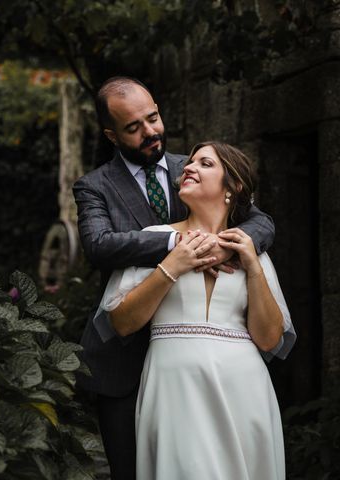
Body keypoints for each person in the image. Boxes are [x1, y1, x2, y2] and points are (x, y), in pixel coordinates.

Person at [72, 77, 276, 479]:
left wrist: (224, 246)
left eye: (153, 118)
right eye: (134, 128)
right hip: (126, 362)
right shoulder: (94, 186)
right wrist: (178, 245)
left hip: (214, 362)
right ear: (111, 135)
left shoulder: (196, 167)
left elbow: (261, 221)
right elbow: (98, 245)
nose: (150, 132)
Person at [98, 141, 296, 479]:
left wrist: (252, 265)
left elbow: (269, 339)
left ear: (232, 187)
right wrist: (172, 266)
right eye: (189, 163)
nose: (188, 168)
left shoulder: (251, 248)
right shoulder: (156, 239)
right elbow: (121, 322)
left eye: (205, 163)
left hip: (244, 388)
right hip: (174, 387)